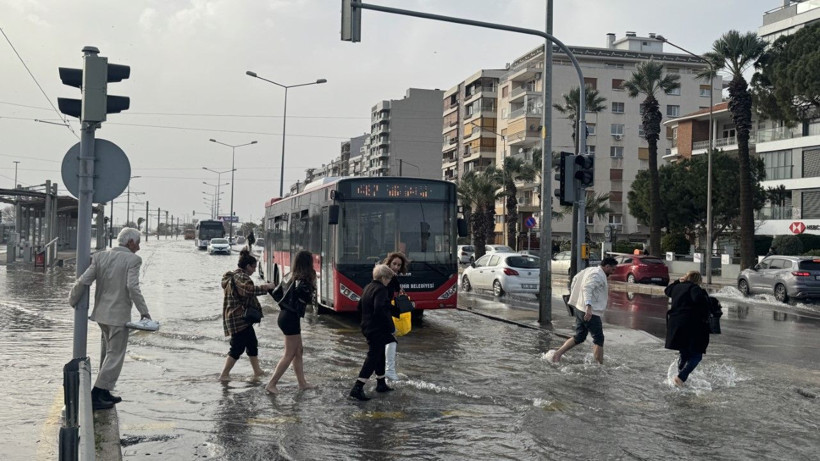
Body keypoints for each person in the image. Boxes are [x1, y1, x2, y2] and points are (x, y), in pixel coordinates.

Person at [68, 228, 152, 410]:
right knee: (115, 355)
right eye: (137, 243)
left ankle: (104, 392)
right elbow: (132, 287)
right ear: (130, 242)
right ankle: (97, 394)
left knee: (108, 353)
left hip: (101, 314)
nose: (138, 247)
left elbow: (84, 280)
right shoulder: (133, 259)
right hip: (118, 316)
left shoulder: (100, 256)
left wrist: (73, 299)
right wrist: (144, 312)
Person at [219, 249, 275, 382]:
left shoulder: (234, 276)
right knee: (237, 348)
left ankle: (257, 371)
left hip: (237, 318)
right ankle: (224, 375)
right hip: (239, 319)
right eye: (254, 267)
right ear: (247, 266)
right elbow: (248, 290)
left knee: (252, 343)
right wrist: (266, 287)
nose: (255, 270)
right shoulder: (241, 277)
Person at [265, 250, 317, 394]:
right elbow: (306, 298)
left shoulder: (289, 276)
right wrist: (312, 284)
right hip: (291, 318)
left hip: (285, 315)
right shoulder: (303, 280)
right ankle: (271, 384)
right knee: (289, 354)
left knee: (298, 351)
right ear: (308, 263)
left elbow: (276, 294)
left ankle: (302, 383)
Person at [551, 257, 619, 365]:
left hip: (580, 308)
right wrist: (588, 306)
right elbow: (587, 288)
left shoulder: (590, 270)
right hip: (590, 312)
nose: (613, 272)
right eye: (612, 269)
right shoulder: (597, 274)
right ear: (607, 266)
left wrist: (576, 298)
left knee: (580, 336)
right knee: (599, 338)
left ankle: (557, 354)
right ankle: (599, 366)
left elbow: (575, 279)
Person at [350, 264, 397, 401]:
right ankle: (357, 387)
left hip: (367, 326)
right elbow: (379, 308)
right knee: (373, 355)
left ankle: (381, 383)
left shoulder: (368, 287)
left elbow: (359, 306)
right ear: (383, 278)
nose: (389, 282)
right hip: (377, 328)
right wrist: (390, 327)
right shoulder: (381, 289)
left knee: (380, 352)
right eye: (389, 279)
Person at [664, 271, 712, 387]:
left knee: (684, 351)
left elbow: (667, 290)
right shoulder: (695, 289)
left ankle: (678, 375)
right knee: (697, 354)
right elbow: (698, 301)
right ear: (698, 280)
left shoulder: (676, 287)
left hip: (675, 324)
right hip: (690, 325)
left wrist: (677, 281)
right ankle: (681, 377)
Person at [382, 252, 409, 381]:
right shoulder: (384, 277)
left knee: (386, 341)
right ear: (389, 263)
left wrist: (401, 294)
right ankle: (389, 371)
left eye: (399, 265)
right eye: (394, 264)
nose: (396, 267)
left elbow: (397, 290)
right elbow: (382, 298)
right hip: (382, 312)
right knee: (391, 339)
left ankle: (384, 371)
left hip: (385, 311)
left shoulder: (393, 277)